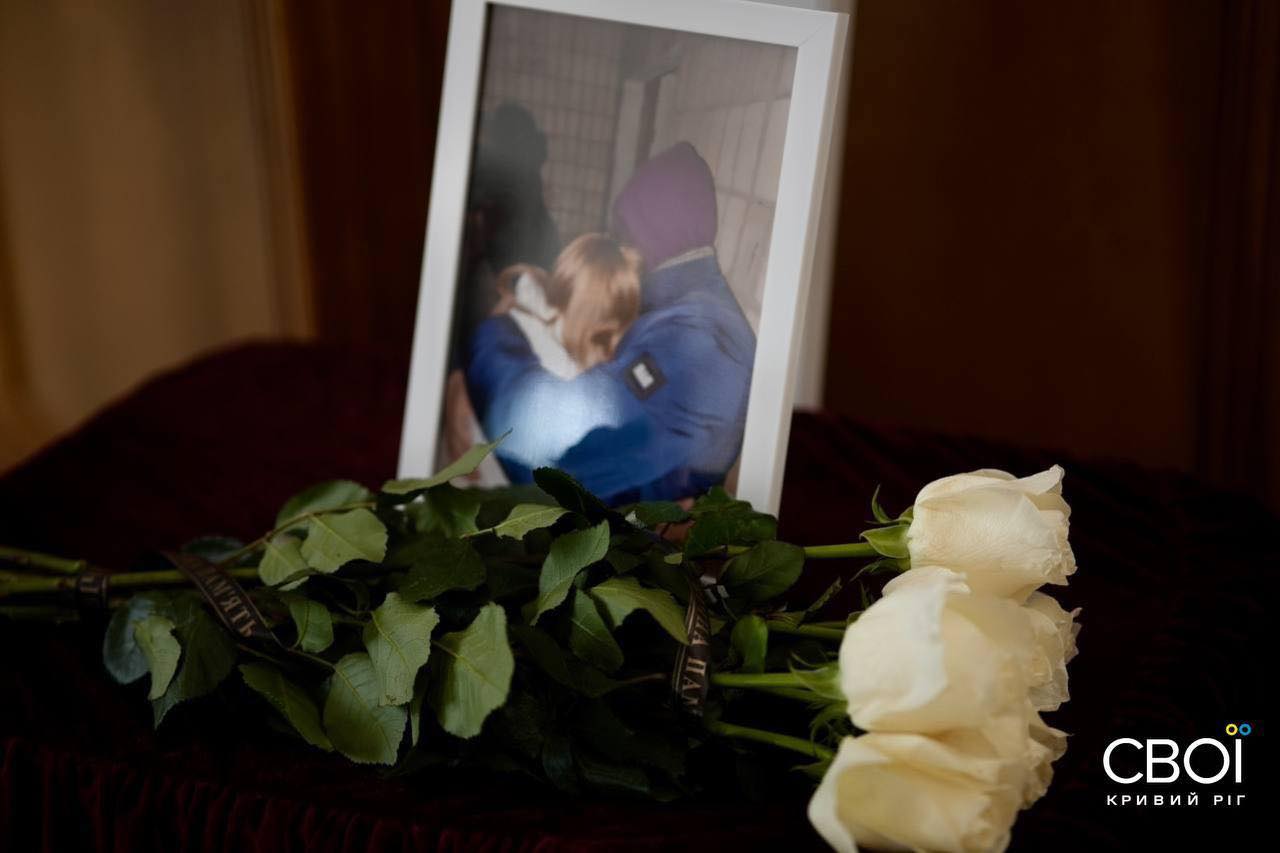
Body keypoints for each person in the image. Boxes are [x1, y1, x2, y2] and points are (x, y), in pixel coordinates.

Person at [465, 143, 756, 504]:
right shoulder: (676, 312)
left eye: (627, 231)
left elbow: (544, 444)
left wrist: (493, 333)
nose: (622, 245)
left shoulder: (704, 339)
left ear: (656, 229)